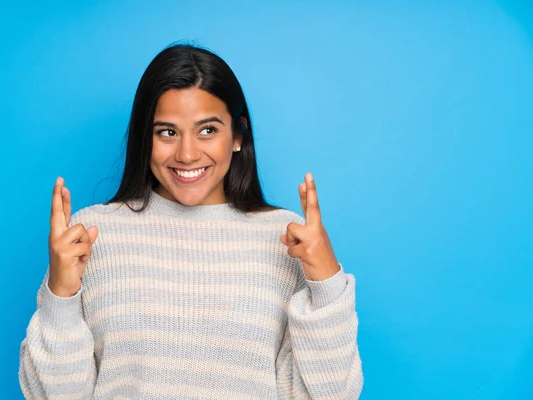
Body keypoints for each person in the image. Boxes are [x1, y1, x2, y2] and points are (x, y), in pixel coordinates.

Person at [19, 43, 363, 400]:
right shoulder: (92, 235)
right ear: (144, 138)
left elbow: (330, 394)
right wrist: (60, 295)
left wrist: (326, 282)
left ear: (238, 136)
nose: (186, 154)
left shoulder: (288, 239)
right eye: (167, 132)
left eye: (208, 130)